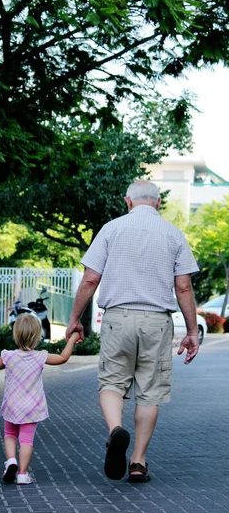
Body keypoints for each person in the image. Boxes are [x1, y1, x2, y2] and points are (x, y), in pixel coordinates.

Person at [66, 180, 199, 484]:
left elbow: (89, 280)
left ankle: (115, 430)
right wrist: (192, 330)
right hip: (157, 321)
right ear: (158, 202)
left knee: (112, 382)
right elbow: (183, 286)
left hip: (118, 318)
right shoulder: (174, 234)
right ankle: (138, 462)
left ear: (127, 202)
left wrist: (75, 319)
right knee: (149, 392)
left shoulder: (111, 229)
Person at [0, 313, 80, 484]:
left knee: (9, 434)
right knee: (26, 440)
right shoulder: (40, 357)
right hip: (32, 407)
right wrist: (73, 338)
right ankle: (22, 474)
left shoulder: (8, 356)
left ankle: (11, 460)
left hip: (12, 405)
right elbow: (63, 358)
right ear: (38, 337)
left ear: (16, 335)